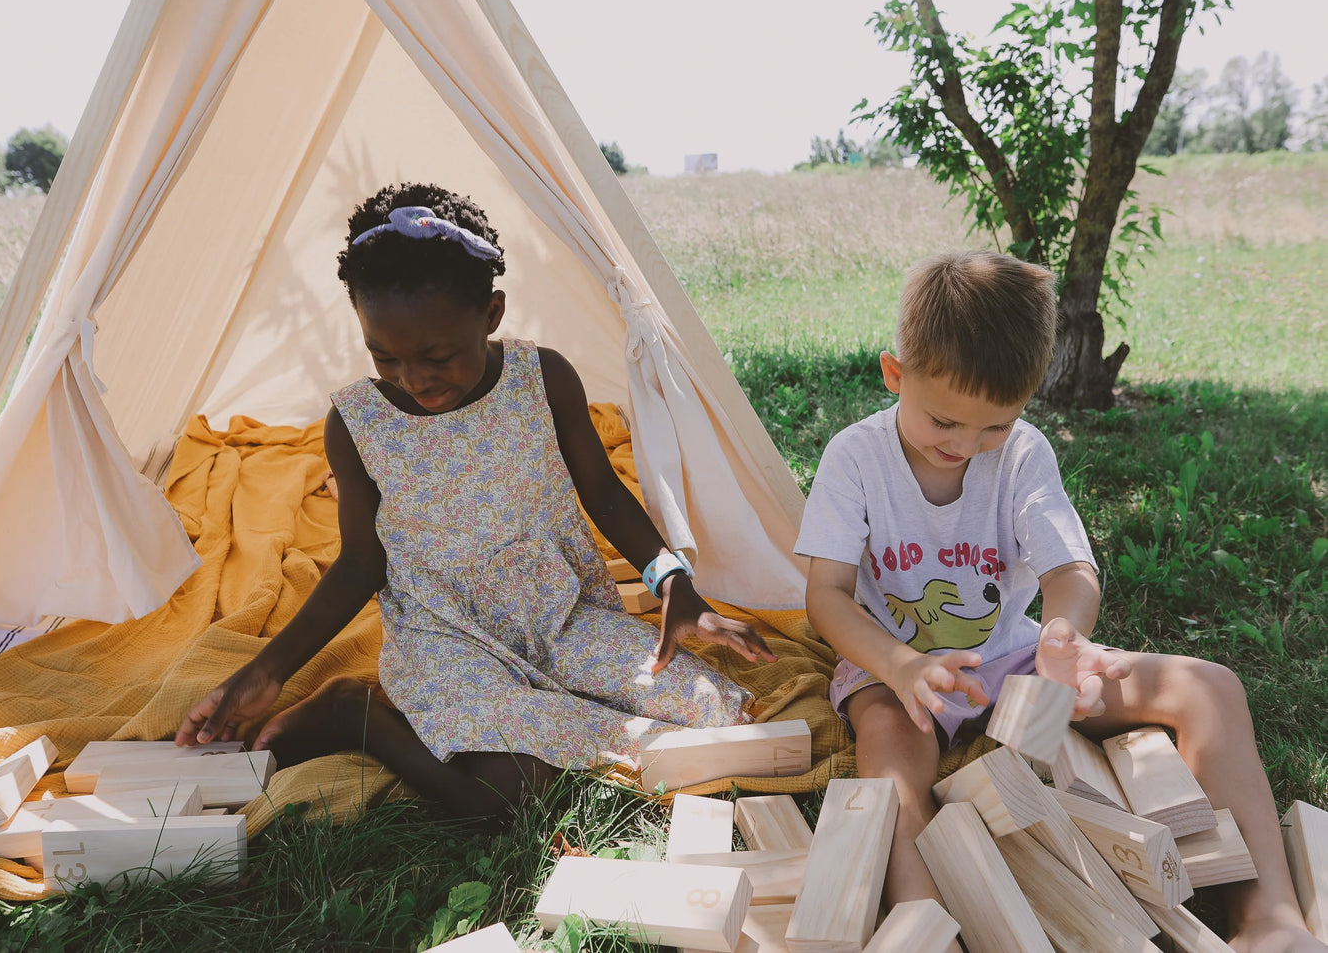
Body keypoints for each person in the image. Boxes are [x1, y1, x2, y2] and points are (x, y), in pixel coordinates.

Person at [176, 182, 775, 820]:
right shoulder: (356, 422)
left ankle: (543, 707)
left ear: (491, 313)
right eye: (386, 358)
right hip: (446, 637)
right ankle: (358, 711)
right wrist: (266, 673)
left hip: (560, 618)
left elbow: (602, 492)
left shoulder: (542, 379)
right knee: (509, 788)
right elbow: (359, 563)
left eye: (437, 356)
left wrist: (672, 582)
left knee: (720, 710)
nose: (413, 378)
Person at [797, 250, 1324, 953]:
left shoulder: (1022, 455)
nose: (966, 444)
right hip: (895, 670)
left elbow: (1070, 572)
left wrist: (1061, 639)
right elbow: (826, 597)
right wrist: (897, 666)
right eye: (943, 422)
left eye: (994, 426)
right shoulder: (853, 458)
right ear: (896, 374)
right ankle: (929, 925)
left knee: (1210, 688)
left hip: (1012, 657)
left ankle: (1268, 918)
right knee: (890, 764)